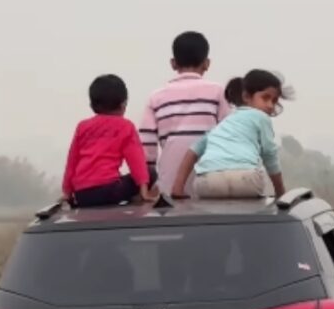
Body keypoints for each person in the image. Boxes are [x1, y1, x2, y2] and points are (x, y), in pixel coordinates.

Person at [170, 69, 291, 199]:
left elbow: (192, 151)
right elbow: (269, 155)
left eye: (274, 101)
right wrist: (281, 193)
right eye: (265, 98)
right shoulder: (261, 117)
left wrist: (178, 188)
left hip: (207, 182)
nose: (270, 105)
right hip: (245, 180)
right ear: (246, 97)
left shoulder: (221, 126)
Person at [138, 31, 231, 197]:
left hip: (169, 183)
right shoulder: (218, 92)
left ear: (173, 63)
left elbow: (147, 150)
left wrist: (147, 186)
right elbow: (229, 137)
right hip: (209, 181)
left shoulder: (156, 97)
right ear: (207, 63)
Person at [62, 75, 157, 208]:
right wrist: (144, 192)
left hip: (83, 195)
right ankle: (136, 200)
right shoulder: (125, 126)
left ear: (92, 105)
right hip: (110, 191)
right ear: (123, 104)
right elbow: (137, 161)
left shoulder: (82, 127)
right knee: (151, 172)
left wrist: (67, 193)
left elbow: (72, 162)